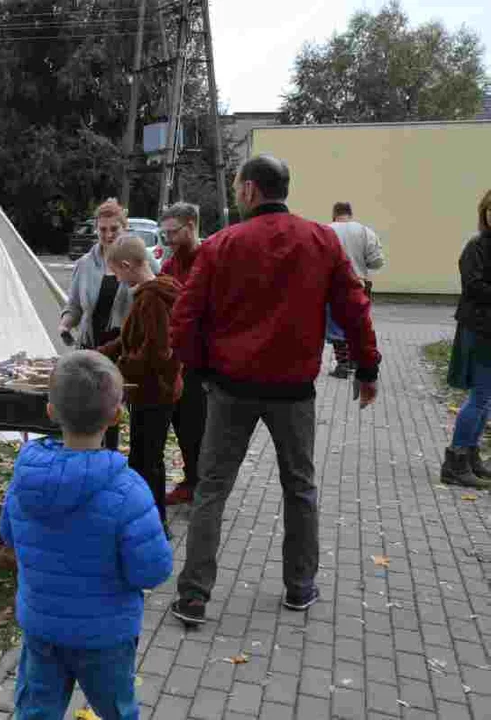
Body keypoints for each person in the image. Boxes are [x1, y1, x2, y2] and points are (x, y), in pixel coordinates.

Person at [168, 155, 380, 627]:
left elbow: (184, 316)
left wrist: (199, 368)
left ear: (247, 191)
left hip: (229, 388)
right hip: (293, 391)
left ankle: (194, 596)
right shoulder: (320, 240)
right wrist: (367, 369)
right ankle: (300, 587)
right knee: (299, 488)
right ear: (284, 188)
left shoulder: (222, 244)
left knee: (212, 490)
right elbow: (355, 308)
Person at [0, 350, 172, 720]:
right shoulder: (130, 491)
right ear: (116, 416)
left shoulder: (23, 480)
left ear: (50, 411)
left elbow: (9, 535)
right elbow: (152, 571)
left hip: (42, 628)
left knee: (35, 711)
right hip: (106, 635)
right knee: (117, 710)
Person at [98, 234, 183, 537]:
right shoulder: (154, 291)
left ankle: (153, 524)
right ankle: (148, 519)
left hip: (153, 391)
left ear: (126, 265)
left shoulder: (151, 298)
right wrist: (100, 354)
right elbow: (131, 339)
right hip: (153, 389)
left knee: (146, 460)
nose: (117, 279)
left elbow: (155, 352)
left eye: (117, 273)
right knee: (144, 458)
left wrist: (116, 369)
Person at [59, 199, 135, 450]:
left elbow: (152, 292)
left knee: (112, 414)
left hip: (123, 350)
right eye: (103, 229)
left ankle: (110, 459)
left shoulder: (136, 259)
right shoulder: (84, 264)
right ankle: (90, 459)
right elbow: (74, 307)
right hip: (91, 348)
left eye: (114, 229)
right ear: (96, 229)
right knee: (90, 412)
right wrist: (65, 325)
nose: (108, 234)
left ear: (124, 229)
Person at [441, 189, 491, 489]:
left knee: (486, 399)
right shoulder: (476, 247)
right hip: (479, 330)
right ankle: (455, 462)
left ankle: (471, 456)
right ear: (484, 213)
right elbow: (473, 287)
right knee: (480, 396)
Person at [158, 202, 207, 506]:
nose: (169, 240)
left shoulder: (209, 260)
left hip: (202, 360)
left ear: (191, 225)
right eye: (164, 235)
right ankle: (192, 481)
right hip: (176, 357)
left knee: (197, 424)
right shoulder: (170, 264)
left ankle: (201, 484)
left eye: (173, 233)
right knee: (181, 423)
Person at [326, 201, 385, 378]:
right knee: (357, 323)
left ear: (334, 214)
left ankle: (343, 365)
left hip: (334, 285)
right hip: (359, 283)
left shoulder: (326, 231)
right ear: (350, 214)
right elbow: (377, 261)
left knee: (335, 324)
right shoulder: (365, 232)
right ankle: (355, 360)